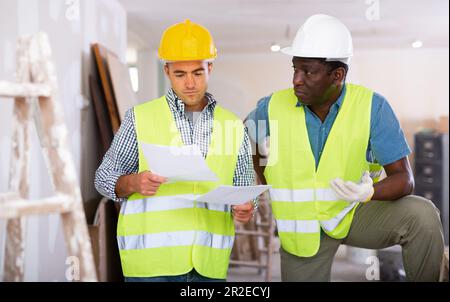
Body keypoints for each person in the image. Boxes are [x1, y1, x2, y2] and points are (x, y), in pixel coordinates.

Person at [245, 14, 444, 282]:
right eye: (295, 69)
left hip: (352, 212)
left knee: (422, 214)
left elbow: (404, 180)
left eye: (308, 71)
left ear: (337, 75)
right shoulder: (272, 106)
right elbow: (244, 137)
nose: (296, 80)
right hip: (301, 228)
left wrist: (369, 192)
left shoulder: (373, 107)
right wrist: (261, 174)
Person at [95, 19, 257, 282]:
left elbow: (244, 186)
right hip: (151, 264)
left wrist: (246, 208)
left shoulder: (233, 125)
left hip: (208, 264)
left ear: (210, 68)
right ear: (167, 71)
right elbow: (103, 179)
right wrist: (133, 182)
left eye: (198, 72)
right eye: (180, 74)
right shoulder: (139, 118)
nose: (190, 83)